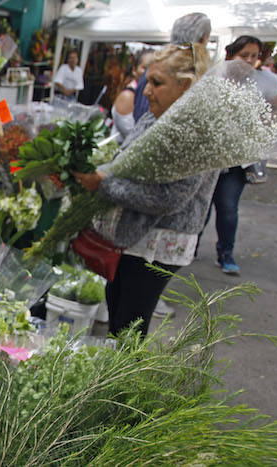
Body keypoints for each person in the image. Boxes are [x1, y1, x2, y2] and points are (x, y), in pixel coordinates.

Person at [75, 43, 215, 336]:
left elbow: (168, 199)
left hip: (159, 241)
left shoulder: (200, 131)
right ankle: (114, 377)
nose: (146, 90)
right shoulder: (157, 115)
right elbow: (126, 158)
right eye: (147, 80)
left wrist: (104, 185)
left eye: (156, 83)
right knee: (117, 307)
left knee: (130, 321)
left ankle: (123, 380)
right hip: (136, 235)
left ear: (186, 86)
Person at [199, 36, 277, 275]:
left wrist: (260, 124)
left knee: (227, 206)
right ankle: (190, 247)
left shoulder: (267, 81)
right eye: (244, 55)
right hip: (208, 157)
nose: (249, 60)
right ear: (231, 54)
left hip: (237, 160)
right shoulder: (214, 76)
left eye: (254, 56)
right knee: (201, 205)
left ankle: (226, 254)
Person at [133, 12, 211, 122]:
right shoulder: (158, 68)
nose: (146, 91)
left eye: (156, 83)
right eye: (152, 82)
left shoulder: (156, 68)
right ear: (204, 38)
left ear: (185, 84)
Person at [111, 51, 152, 142]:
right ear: (134, 70)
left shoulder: (147, 95)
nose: (148, 72)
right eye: (145, 68)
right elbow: (132, 136)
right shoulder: (128, 96)